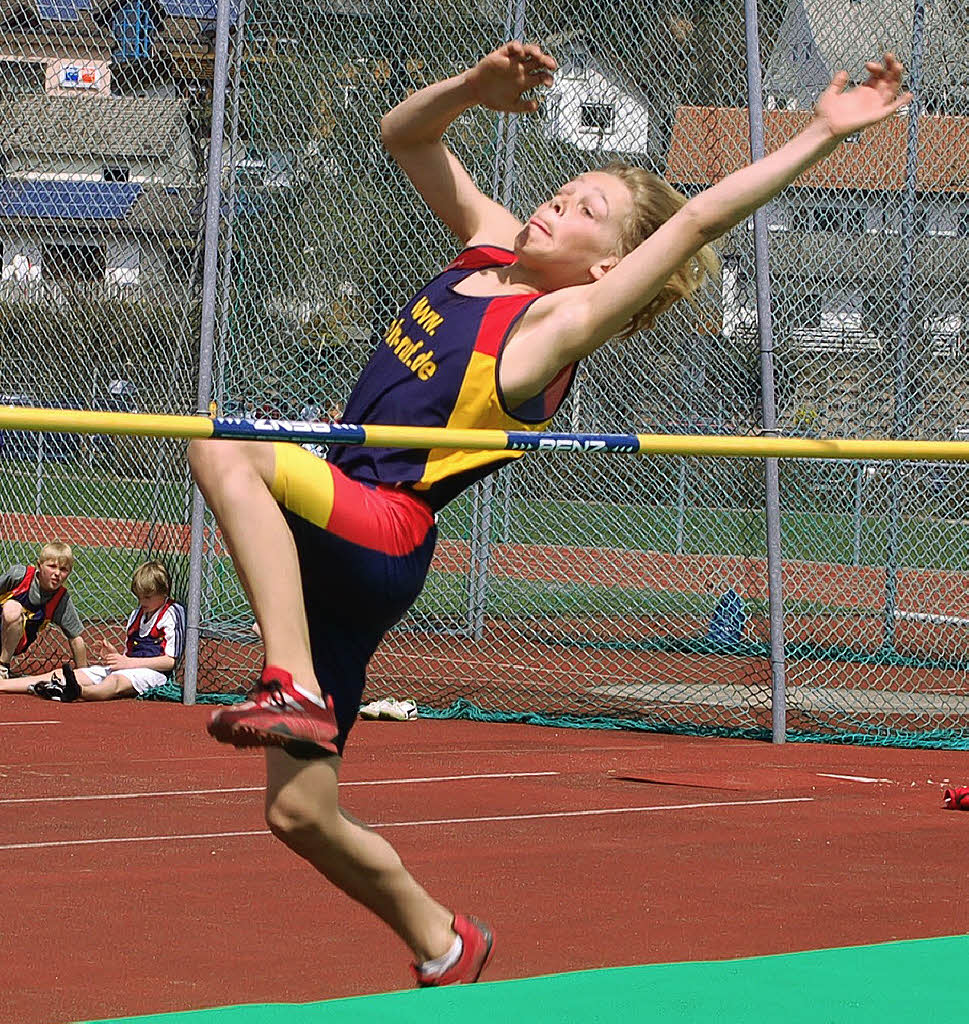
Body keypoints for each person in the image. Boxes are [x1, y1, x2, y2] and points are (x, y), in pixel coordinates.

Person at [187, 43, 910, 986]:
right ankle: (446, 943)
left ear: (609, 264)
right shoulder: (485, 248)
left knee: (222, 443)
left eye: (584, 212)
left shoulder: (548, 330)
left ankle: (293, 684)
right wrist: (471, 90)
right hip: (322, 531)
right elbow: (402, 136)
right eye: (561, 190)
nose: (554, 206)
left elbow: (694, 220)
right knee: (298, 814)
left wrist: (819, 131)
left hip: (379, 528)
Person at [0, 561, 184, 701]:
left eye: (148, 597)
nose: (142, 601)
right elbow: (128, 656)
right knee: (66, 674)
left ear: (164, 592)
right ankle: (4, 684)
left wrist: (127, 663)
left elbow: (169, 661)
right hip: (131, 666)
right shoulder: (138, 613)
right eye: (139, 597)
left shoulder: (171, 612)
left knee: (116, 681)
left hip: (153, 673)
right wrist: (115, 655)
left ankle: (78, 691)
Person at [0, 541, 88, 680]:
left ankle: (2, 667)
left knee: (14, 610)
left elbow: (76, 638)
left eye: (64, 569)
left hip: (13, 641)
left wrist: (84, 675)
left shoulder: (61, 600)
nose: (57, 573)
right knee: (12, 607)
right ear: (39, 565)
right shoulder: (19, 576)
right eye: (52, 566)